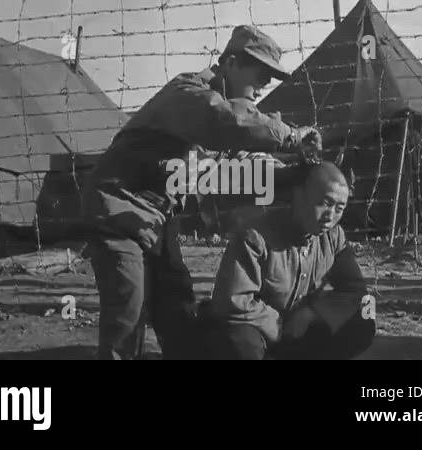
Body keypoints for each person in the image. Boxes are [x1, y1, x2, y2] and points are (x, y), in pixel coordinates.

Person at [82, 25, 322, 359]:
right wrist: (292, 137)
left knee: (177, 306)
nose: (266, 83)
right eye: (261, 72)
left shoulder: (223, 119)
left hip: (156, 220)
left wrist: (300, 173)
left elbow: (246, 166)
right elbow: (225, 121)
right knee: (128, 308)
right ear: (232, 62)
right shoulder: (189, 93)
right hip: (117, 209)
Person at [204, 161, 376, 360]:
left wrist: (313, 312)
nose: (330, 216)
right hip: (258, 329)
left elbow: (357, 291)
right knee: (240, 341)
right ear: (299, 196)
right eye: (325, 203)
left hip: (297, 329)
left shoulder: (333, 237)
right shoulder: (255, 237)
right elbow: (233, 301)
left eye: (339, 208)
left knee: (363, 320)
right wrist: (280, 324)